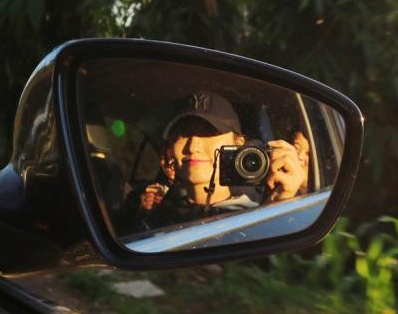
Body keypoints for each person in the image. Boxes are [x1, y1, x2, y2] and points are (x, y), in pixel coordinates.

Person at [129, 91, 306, 231]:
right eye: (183, 134)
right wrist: (143, 214)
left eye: (209, 132)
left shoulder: (257, 211)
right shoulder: (159, 212)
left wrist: (278, 208)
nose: (193, 146)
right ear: (170, 148)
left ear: (238, 144)